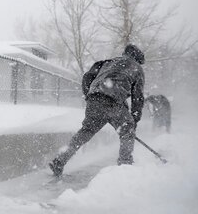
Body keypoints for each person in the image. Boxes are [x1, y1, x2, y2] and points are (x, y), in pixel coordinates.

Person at [48, 44, 145, 177]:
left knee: (85, 132)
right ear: (138, 58)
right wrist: (134, 119)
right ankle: (125, 167)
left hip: (95, 99)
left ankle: (59, 161)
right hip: (113, 102)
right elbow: (138, 97)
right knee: (127, 131)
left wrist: (90, 96)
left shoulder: (107, 63)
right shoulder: (137, 68)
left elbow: (87, 77)